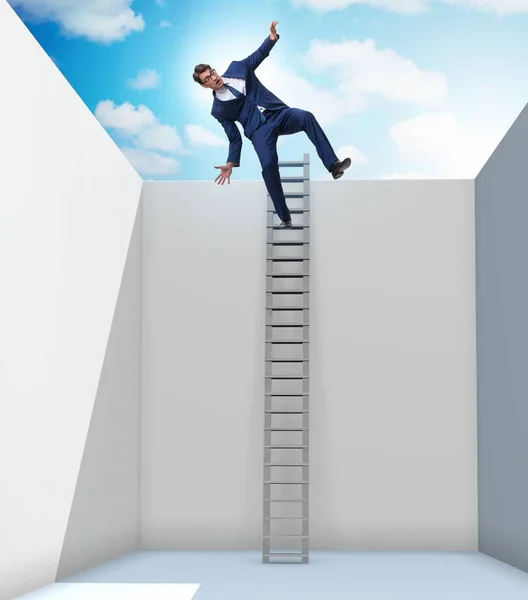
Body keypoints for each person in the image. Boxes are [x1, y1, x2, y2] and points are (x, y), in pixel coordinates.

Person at [193, 21, 351, 228]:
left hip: (278, 113)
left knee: (306, 117)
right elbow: (234, 137)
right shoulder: (218, 110)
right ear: (205, 86)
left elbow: (257, 55)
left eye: (212, 72)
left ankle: (333, 165)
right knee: (268, 166)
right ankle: (285, 217)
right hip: (259, 131)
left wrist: (271, 39)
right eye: (208, 79)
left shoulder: (237, 67)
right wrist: (230, 163)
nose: (214, 77)